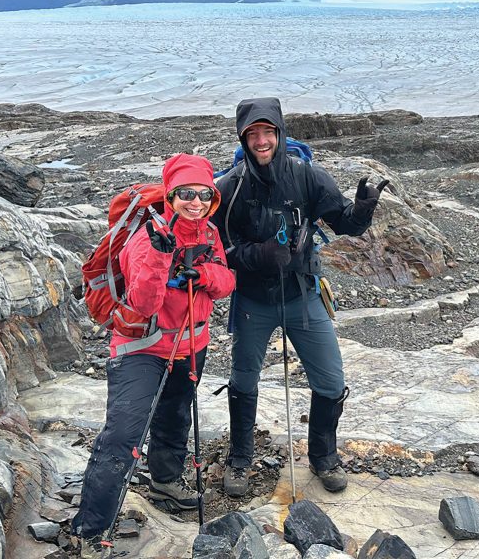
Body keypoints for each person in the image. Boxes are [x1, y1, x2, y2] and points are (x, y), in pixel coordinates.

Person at [211, 97, 388, 497]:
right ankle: (241, 458)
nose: (261, 141)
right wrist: (256, 256)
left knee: (330, 380)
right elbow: (217, 248)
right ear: (243, 137)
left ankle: (322, 456)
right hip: (253, 301)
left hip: (303, 296)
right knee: (243, 379)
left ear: (279, 133)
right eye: (252, 134)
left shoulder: (308, 176)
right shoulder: (230, 187)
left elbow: (344, 224)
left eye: (267, 132)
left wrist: (361, 212)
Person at [72, 153, 236, 557]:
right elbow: (144, 303)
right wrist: (164, 257)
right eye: (185, 194)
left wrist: (205, 274)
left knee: (175, 416)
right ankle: (90, 527)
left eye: (203, 193)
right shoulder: (148, 235)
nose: (194, 202)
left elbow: (227, 281)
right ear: (171, 194)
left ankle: (165, 481)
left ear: (212, 197)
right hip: (141, 349)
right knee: (124, 435)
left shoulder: (210, 233)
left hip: (190, 346)